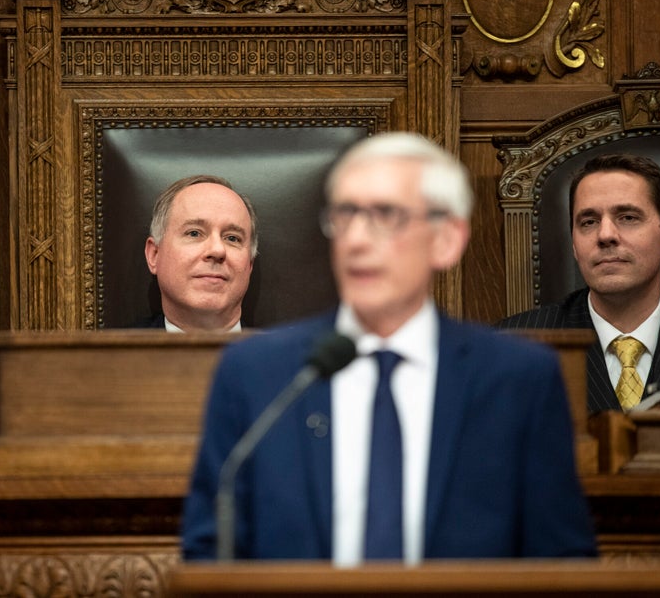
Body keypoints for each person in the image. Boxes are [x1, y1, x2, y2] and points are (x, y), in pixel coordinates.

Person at [182, 132, 597, 563]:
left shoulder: (518, 380)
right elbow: (210, 555)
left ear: (446, 239)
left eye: (385, 215)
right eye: (346, 215)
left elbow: (563, 560)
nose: (358, 240)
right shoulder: (257, 375)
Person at [498, 154, 660, 412]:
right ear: (573, 243)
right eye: (589, 222)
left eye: (627, 217)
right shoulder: (512, 346)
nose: (605, 235)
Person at [137, 175, 257, 332]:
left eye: (232, 238)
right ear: (154, 255)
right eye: (194, 233)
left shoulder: (289, 356)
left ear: (249, 265)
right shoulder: (109, 355)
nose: (217, 250)